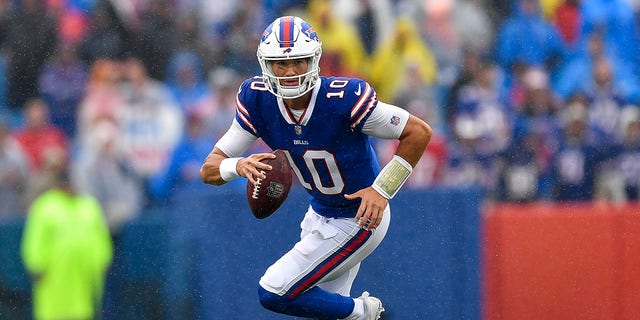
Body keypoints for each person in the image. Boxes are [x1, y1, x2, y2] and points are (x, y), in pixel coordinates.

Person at [200, 16, 432, 320]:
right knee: (325, 309)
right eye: (280, 64)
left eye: (298, 61)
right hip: (319, 214)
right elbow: (210, 169)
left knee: (273, 289)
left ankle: (367, 312)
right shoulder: (258, 100)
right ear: (265, 66)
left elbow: (419, 132)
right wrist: (238, 165)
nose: (290, 72)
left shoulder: (343, 99)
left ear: (314, 60)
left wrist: (383, 190)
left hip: (357, 218)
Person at [21, 160, 113, 320]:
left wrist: (102, 260)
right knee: (54, 312)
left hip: (84, 276)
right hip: (54, 276)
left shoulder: (89, 205)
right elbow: (35, 238)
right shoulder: (45, 205)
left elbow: (101, 236)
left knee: (83, 311)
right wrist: (35, 264)